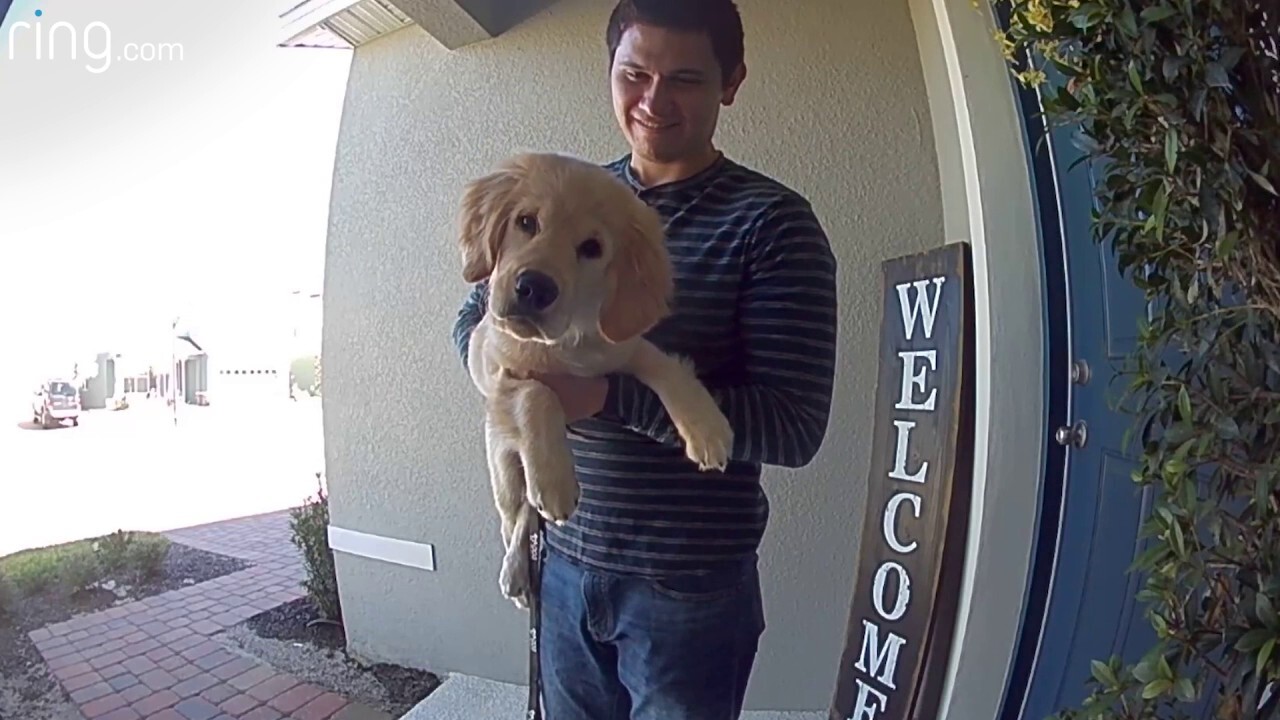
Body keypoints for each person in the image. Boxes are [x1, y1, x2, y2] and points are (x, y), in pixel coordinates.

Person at [452, 1, 839, 717]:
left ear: (732, 82)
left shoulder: (772, 224)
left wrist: (599, 399)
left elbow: (793, 426)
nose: (654, 101)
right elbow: (473, 323)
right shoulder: (570, 192)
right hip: (564, 563)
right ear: (610, 73)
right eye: (635, 74)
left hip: (686, 591)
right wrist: (513, 376)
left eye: (685, 79)